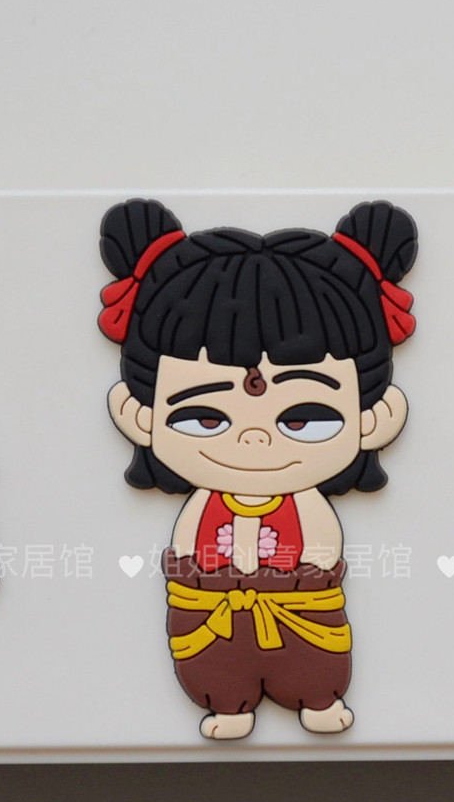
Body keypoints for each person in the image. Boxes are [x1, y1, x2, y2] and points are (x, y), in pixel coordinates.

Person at [97, 196, 418, 740]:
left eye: (303, 418)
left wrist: (308, 573)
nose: (254, 438)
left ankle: (317, 697)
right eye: (204, 418)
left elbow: (323, 548)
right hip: (209, 612)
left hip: (302, 610)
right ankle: (228, 704)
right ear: (138, 414)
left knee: (314, 662)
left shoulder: (309, 505)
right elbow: (187, 548)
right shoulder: (201, 505)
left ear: (374, 418)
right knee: (212, 666)